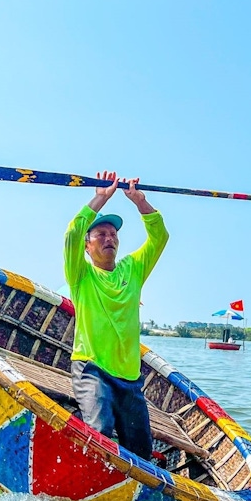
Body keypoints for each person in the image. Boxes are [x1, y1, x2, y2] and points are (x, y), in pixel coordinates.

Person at [64, 171, 168, 461]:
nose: (109, 238)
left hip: (130, 377)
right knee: (100, 431)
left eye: (113, 235)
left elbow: (160, 237)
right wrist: (101, 197)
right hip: (92, 368)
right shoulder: (81, 275)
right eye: (101, 234)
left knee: (142, 452)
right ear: (88, 246)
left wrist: (140, 202)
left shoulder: (132, 269)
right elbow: (72, 233)